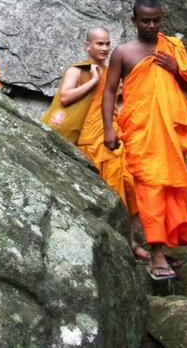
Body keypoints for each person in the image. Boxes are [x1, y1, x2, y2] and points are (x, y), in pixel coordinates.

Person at [103, 0, 187, 281]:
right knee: (150, 189)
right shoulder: (123, 53)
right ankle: (156, 254)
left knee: (169, 190)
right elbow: (109, 91)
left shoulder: (172, 48)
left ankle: (164, 248)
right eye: (146, 20)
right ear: (134, 20)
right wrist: (109, 129)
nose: (152, 25)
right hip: (142, 131)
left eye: (156, 19)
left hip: (168, 130)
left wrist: (175, 69)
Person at [41, 28, 145, 259]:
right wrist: (94, 81)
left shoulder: (110, 71)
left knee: (128, 186)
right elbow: (66, 96)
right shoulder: (77, 71)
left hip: (111, 137)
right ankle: (115, 247)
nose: (105, 48)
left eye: (107, 44)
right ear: (87, 46)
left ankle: (132, 242)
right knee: (107, 192)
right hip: (89, 141)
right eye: (99, 44)